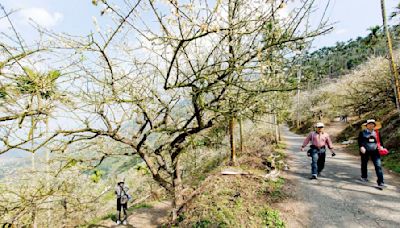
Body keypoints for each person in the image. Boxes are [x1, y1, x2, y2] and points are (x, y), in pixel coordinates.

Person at [358, 119, 384, 187]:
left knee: (378, 166)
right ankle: (364, 177)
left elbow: (380, 142)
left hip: (375, 151)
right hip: (365, 151)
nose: (371, 125)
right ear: (366, 125)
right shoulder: (362, 132)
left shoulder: (377, 133)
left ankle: (380, 182)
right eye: (369, 124)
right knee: (364, 164)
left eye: (372, 124)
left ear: (374, 125)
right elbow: (360, 141)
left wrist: (381, 147)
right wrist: (361, 147)